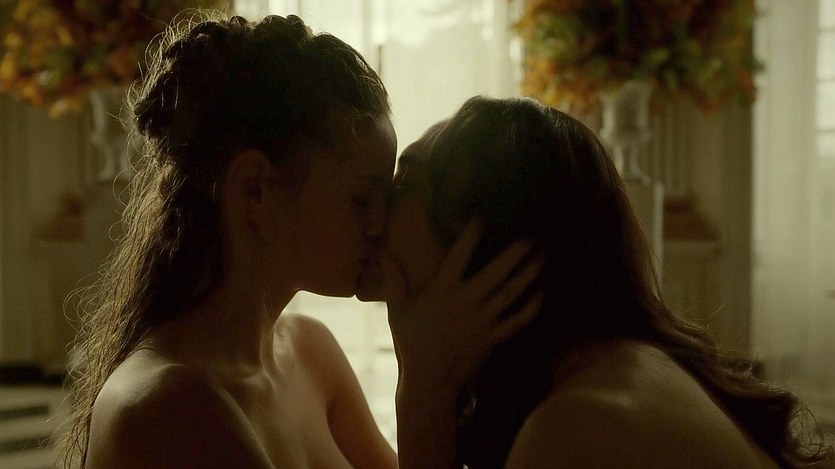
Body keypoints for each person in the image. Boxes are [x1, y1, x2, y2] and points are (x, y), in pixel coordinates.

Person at [58, 11, 538, 469]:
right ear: (256, 190)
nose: (382, 223)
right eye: (362, 199)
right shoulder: (165, 407)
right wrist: (424, 391)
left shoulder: (311, 353)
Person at [374, 96, 835, 468]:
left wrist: (421, 398)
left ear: (487, 249)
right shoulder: (608, 366)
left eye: (406, 180)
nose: (378, 204)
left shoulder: (577, 427)